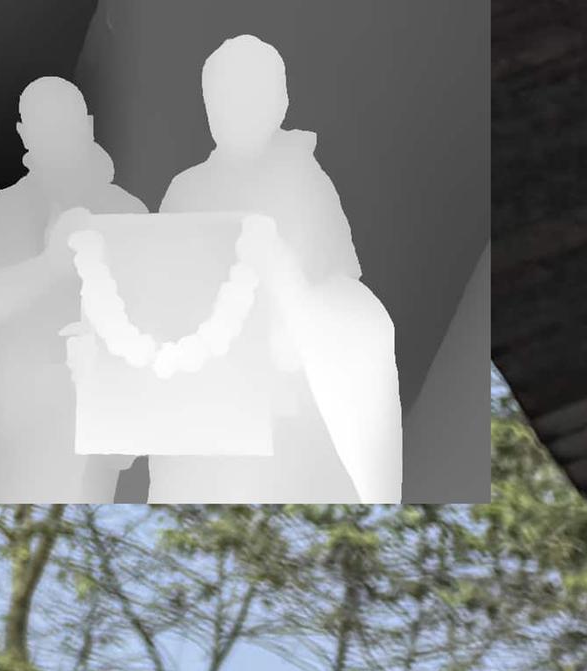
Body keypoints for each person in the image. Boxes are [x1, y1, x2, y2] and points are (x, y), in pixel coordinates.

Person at [140, 35, 397, 502]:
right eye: (220, 99)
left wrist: (279, 277)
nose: (232, 110)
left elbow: (332, 286)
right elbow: (161, 283)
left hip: (284, 384)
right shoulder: (186, 188)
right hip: (204, 381)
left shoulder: (304, 179)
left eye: (248, 96)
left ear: (279, 102)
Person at [0, 79, 139, 505]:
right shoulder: (3, 210)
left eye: (66, 124)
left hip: (98, 412)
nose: (58, 136)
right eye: (44, 126)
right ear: (24, 134)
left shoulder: (126, 210)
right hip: (23, 414)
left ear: (87, 125)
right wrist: (47, 266)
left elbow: (159, 307)